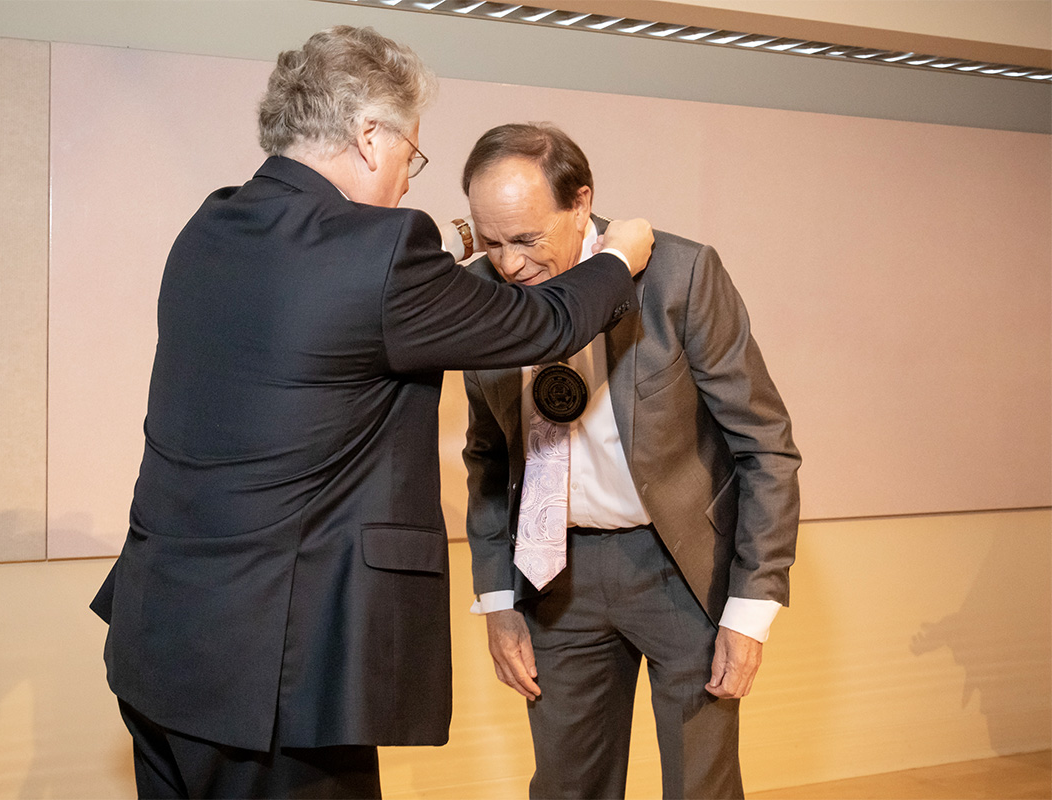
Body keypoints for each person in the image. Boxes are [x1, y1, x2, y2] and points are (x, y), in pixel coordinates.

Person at [89, 30, 655, 799]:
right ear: (368, 136)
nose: (403, 182)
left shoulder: (212, 226)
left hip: (160, 640)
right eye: (409, 157)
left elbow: (336, 320)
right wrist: (617, 256)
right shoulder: (381, 251)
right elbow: (546, 324)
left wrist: (456, 265)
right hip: (274, 675)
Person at [460, 123, 801, 800]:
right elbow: (487, 457)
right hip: (555, 578)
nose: (507, 264)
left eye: (526, 239)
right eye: (489, 240)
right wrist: (498, 600)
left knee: (699, 787)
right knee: (565, 787)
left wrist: (749, 612)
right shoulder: (480, 295)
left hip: (682, 571)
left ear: (581, 204)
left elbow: (765, 445)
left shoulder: (680, 275)